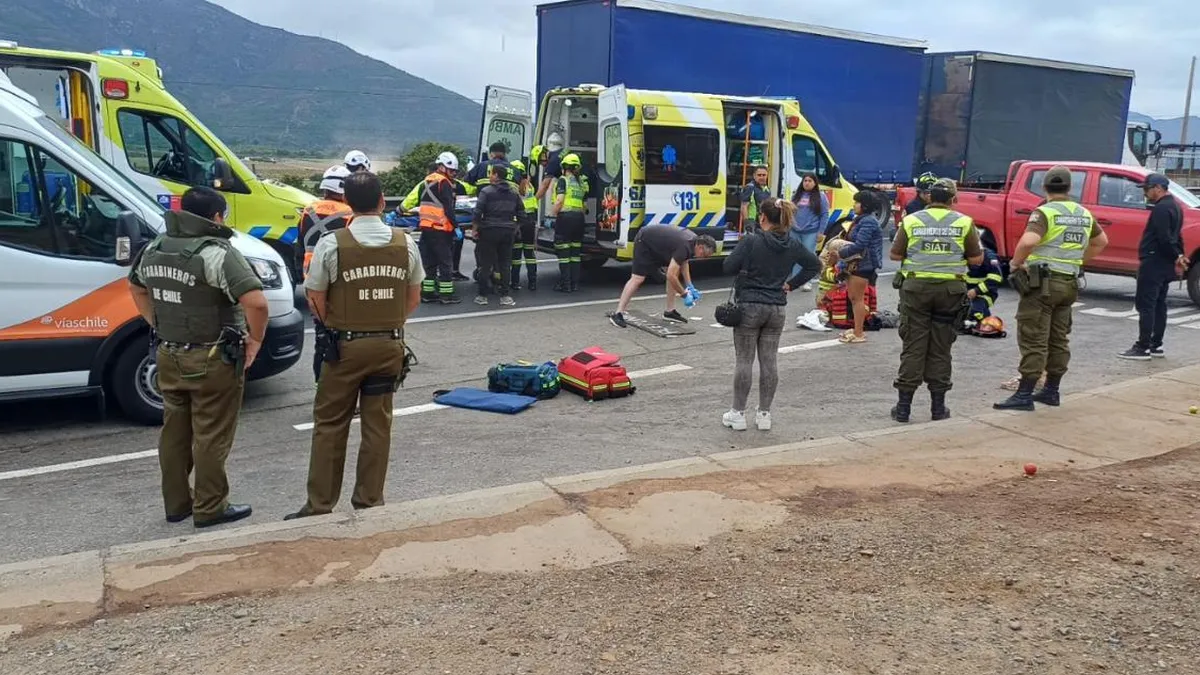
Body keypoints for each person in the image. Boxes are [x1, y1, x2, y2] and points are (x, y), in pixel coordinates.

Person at [286, 171, 423, 520]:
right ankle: (369, 502)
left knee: (330, 424)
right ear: (382, 202)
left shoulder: (333, 244)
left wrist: (339, 324)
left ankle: (319, 505)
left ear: (347, 203)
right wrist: (386, 321)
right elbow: (413, 297)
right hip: (389, 345)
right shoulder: (405, 243)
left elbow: (315, 298)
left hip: (344, 347)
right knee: (378, 426)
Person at [128, 187, 268, 528]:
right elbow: (257, 302)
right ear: (217, 217)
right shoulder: (216, 252)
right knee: (211, 434)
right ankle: (210, 506)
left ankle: (176, 504)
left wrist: (158, 322)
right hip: (212, 358)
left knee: (175, 432)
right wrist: (256, 340)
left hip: (168, 353)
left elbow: (136, 287)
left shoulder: (155, 247)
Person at [994, 166, 1108, 410]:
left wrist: (1015, 263)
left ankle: (1024, 395)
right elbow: (1101, 241)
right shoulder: (1083, 213)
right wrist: (1078, 258)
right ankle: (1051, 391)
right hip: (1069, 283)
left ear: (1045, 187)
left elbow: (1029, 240)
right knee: (1058, 338)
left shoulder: (1044, 213)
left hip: (1043, 284)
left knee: (1034, 337)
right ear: (1069, 188)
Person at [889, 178, 985, 423]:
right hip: (950, 292)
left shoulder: (911, 220)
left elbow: (895, 254)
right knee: (941, 347)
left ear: (929, 198)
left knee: (914, 346)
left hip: (916, 290)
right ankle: (938, 408)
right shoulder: (964, 222)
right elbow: (976, 260)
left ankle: (903, 408)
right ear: (953, 200)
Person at [721, 198, 821, 431]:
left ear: (763, 218)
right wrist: (791, 284)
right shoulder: (792, 244)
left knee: (744, 361)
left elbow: (728, 266)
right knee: (769, 361)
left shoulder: (752, 241)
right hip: (777, 308)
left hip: (749, 306)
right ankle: (764, 414)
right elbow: (814, 265)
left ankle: (737, 414)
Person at [1119, 173, 1187, 360]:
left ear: (1158, 188)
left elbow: (1164, 237)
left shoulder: (1161, 209)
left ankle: (1143, 347)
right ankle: (1156, 344)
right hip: (1165, 264)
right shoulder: (1176, 207)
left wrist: (1177, 254)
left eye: (1147, 189)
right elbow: (1177, 235)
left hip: (1154, 261)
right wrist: (1179, 254)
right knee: (1159, 304)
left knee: (1146, 304)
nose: (1146, 193)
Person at [299, 167, 354, 383]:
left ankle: (321, 387)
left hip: (313, 282)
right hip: (339, 283)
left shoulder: (307, 210)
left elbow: (300, 248)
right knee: (345, 339)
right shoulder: (349, 214)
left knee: (322, 338)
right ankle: (341, 389)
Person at [609, 227, 718, 328]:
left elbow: (684, 263)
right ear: (701, 247)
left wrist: (690, 285)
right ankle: (618, 313)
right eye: (705, 255)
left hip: (658, 244)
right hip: (645, 241)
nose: (703, 258)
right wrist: (684, 295)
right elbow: (671, 275)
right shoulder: (685, 246)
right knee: (638, 278)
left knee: (674, 272)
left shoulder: (693, 242)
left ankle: (669, 312)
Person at [834, 190, 885, 344]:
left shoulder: (868, 221)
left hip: (863, 263)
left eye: (857, 202)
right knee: (853, 297)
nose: (854, 205)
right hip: (857, 262)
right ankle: (857, 328)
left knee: (857, 299)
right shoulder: (861, 220)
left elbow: (860, 245)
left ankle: (859, 332)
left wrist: (841, 253)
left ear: (865, 205)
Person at [472, 164, 522, 306]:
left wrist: (475, 229)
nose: (489, 176)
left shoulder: (486, 192)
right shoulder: (514, 193)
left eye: (491, 173)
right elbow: (522, 214)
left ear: (496, 175)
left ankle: (482, 296)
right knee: (505, 264)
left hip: (489, 231)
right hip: (507, 232)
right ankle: (505, 296)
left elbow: (477, 212)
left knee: (486, 263)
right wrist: (515, 227)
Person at [416, 152, 462, 304]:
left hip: (426, 227)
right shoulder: (444, 183)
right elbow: (448, 208)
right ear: (442, 167)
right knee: (445, 262)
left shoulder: (425, 182)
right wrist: (456, 226)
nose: (454, 174)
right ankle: (446, 295)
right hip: (441, 229)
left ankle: (427, 293)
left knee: (429, 262)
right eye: (452, 170)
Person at [552, 153, 589, 293]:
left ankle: (565, 284)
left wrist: (552, 214)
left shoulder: (563, 181)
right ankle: (574, 284)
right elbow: (585, 206)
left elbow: (560, 200)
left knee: (564, 253)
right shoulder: (581, 183)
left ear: (564, 167)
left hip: (565, 218)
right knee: (575, 254)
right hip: (579, 219)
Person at [790, 172, 829, 292]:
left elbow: (824, 215)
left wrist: (820, 232)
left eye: (809, 181)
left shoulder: (820, 197)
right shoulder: (796, 195)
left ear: (815, 183)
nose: (806, 183)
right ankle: (795, 280)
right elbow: (790, 212)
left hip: (811, 231)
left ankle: (806, 281)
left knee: (808, 256)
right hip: (795, 230)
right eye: (805, 181)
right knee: (795, 255)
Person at [510, 159, 539, 291]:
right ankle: (532, 282)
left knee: (516, 255)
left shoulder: (513, 187)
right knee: (529, 254)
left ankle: (515, 282)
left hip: (518, 222)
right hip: (530, 222)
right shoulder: (530, 186)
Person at [964, 247, 1003, 326]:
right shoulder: (962, 258)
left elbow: (996, 279)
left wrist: (976, 291)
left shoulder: (991, 259)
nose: (975, 266)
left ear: (982, 254)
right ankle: (984, 319)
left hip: (986, 293)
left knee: (976, 310)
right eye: (972, 263)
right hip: (967, 293)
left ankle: (983, 322)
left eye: (978, 263)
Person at [739, 166, 771, 233]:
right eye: (759, 175)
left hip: (762, 221)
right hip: (751, 221)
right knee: (751, 241)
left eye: (764, 175)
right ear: (754, 176)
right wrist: (747, 223)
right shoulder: (750, 188)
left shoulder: (767, 189)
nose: (762, 177)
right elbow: (744, 206)